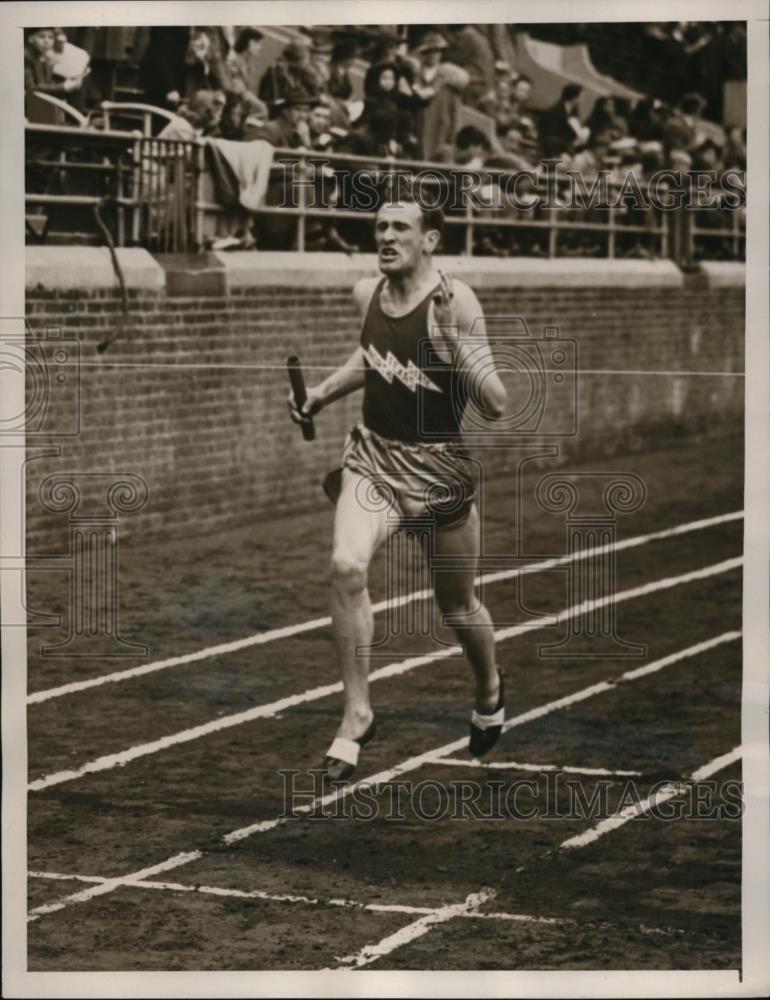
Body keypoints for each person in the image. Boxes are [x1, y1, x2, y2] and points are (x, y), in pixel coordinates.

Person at [288, 198, 507, 780]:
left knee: (457, 607)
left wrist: (449, 340)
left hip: (438, 471)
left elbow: (495, 400)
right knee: (346, 566)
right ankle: (357, 713)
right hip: (374, 459)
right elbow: (373, 355)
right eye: (379, 226)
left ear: (430, 239)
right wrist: (320, 393)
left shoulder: (456, 301)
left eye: (400, 228)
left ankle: (489, 689)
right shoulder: (368, 293)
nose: (386, 236)